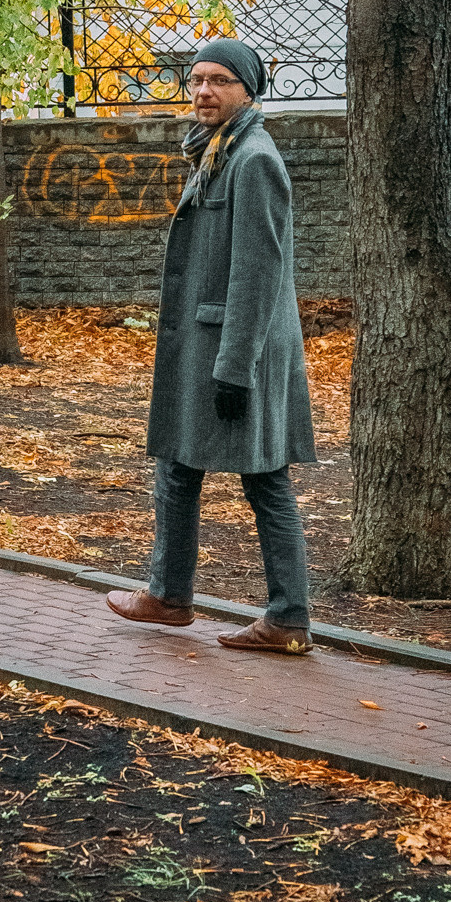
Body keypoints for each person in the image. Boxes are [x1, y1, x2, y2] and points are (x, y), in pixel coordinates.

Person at [107, 35, 316, 653]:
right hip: (210, 344)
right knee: (177, 461)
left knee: (265, 480)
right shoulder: (218, 150)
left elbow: (259, 275)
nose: (202, 90)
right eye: (196, 79)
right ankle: (170, 595)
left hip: (234, 349)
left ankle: (287, 618)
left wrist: (234, 369)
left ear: (249, 89)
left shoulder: (253, 159)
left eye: (219, 80)